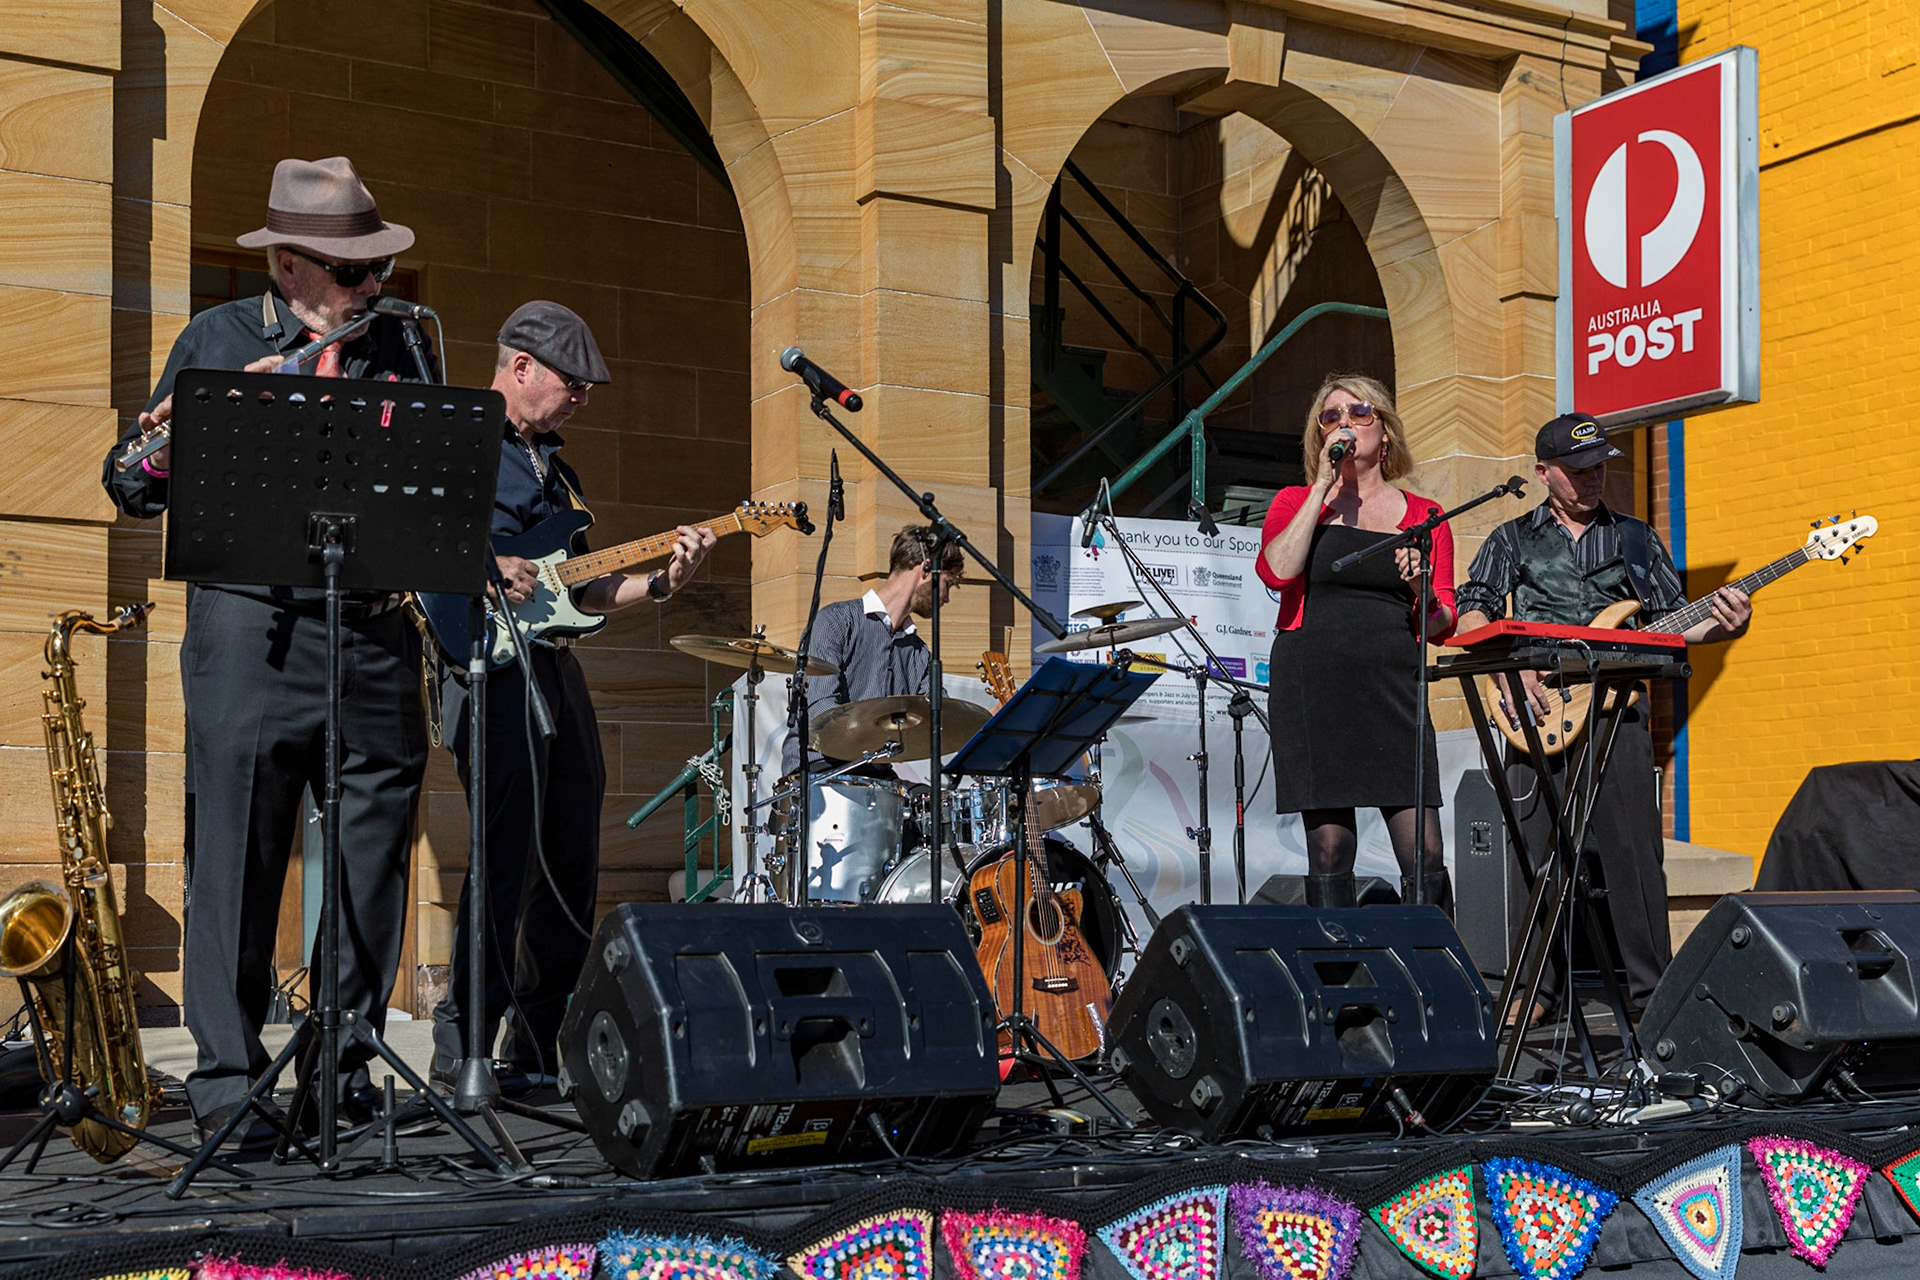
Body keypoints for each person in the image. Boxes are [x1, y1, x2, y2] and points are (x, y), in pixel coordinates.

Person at [101, 156, 432, 1145]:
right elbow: (129, 482)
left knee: (374, 865)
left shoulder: (400, 352)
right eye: (351, 270)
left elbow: (437, 493)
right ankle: (230, 1083)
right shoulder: (218, 338)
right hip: (253, 635)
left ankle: (340, 1071)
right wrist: (191, 432)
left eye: (377, 267)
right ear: (289, 266)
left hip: (371, 634)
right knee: (238, 858)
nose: (373, 286)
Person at [428, 302, 715, 1093]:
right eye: (572, 384)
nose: (583, 400)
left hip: (553, 665)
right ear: (519, 366)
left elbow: (580, 587)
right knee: (504, 855)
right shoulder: (459, 440)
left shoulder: (559, 470)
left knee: (570, 856)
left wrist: (663, 581)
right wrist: (485, 562)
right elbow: (414, 538)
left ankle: (538, 1033)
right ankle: (465, 1039)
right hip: (487, 667)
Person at [1454, 412, 1751, 1019]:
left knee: (1635, 858)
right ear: (1543, 473)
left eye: (1599, 466)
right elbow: (1470, 612)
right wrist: (1510, 667)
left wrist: (1725, 626)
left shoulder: (1636, 538)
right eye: (1577, 469)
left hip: (1619, 713)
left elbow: (1676, 622)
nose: (1593, 477)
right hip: (1536, 712)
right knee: (1534, 857)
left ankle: (1654, 999)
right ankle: (1535, 993)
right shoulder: (1511, 539)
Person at [1255, 374, 1457, 912]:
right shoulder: (1296, 501)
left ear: (1384, 433)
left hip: (1392, 691)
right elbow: (1276, 572)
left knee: (1424, 851)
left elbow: (1443, 624)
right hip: (1313, 688)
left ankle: (1436, 981)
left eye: (1359, 412)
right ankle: (1337, 982)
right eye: (1331, 416)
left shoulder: (1425, 516)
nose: (1344, 422)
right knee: (1330, 848)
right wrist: (1321, 488)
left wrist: (1420, 587)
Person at [780, 524, 963, 778]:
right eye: (948, 584)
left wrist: (981, 720)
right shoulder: (836, 621)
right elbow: (820, 710)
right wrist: (872, 732)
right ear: (925, 569)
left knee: (932, 809)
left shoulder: (919, 652)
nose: (946, 598)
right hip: (818, 769)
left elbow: (937, 716)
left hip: (873, 773)